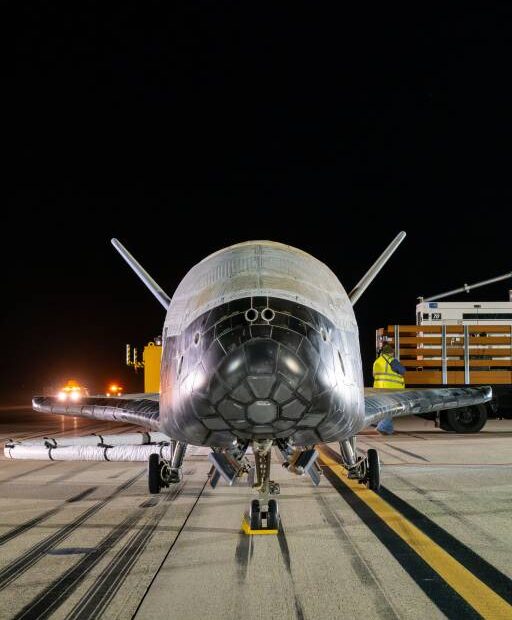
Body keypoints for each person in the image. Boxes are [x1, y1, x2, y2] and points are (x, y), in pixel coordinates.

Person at [372, 343, 406, 435]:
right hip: (390, 388)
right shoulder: (391, 360)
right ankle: (382, 427)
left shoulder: (377, 361)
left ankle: (388, 429)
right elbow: (403, 371)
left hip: (378, 388)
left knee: (384, 409)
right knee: (391, 409)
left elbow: (374, 375)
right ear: (390, 353)